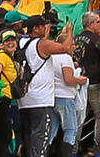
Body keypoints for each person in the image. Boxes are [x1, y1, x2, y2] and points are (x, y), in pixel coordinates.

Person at [17, 15, 77, 157]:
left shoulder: (22, 43)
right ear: (36, 28)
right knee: (40, 142)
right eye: (43, 26)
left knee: (30, 141)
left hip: (25, 100)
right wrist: (69, 31)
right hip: (41, 100)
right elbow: (65, 47)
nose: (46, 28)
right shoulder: (41, 44)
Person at [75, 12, 100, 157]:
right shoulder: (97, 40)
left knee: (79, 118)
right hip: (95, 82)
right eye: (97, 22)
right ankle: (98, 149)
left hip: (79, 83)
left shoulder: (76, 39)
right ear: (90, 24)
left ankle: (73, 149)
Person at [50, 44, 87, 157]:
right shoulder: (65, 58)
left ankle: (46, 153)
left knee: (52, 130)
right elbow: (69, 80)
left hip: (53, 97)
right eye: (71, 44)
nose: (74, 47)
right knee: (71, 130)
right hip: (66, 97)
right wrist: (80, 80)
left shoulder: (51, 56)